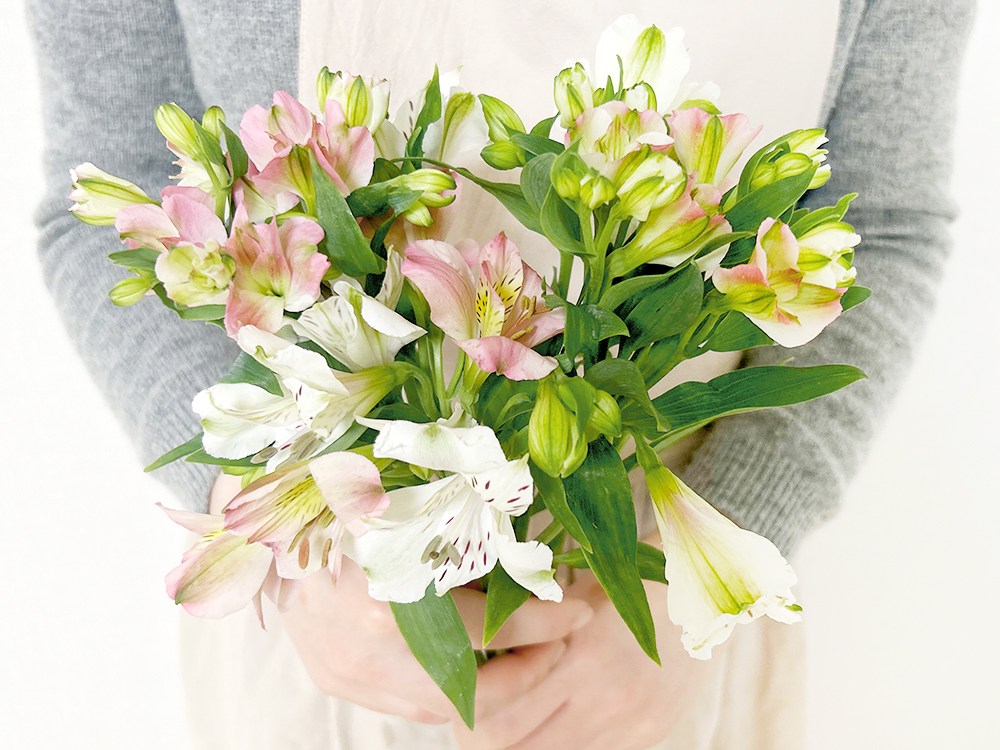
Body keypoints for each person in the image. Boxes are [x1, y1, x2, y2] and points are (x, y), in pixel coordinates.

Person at [27, 1, 973, 748]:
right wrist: (278, 531)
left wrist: (695, 576)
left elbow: (883, 227)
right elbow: (111, 198)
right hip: (322, 629)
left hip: (674, 631)